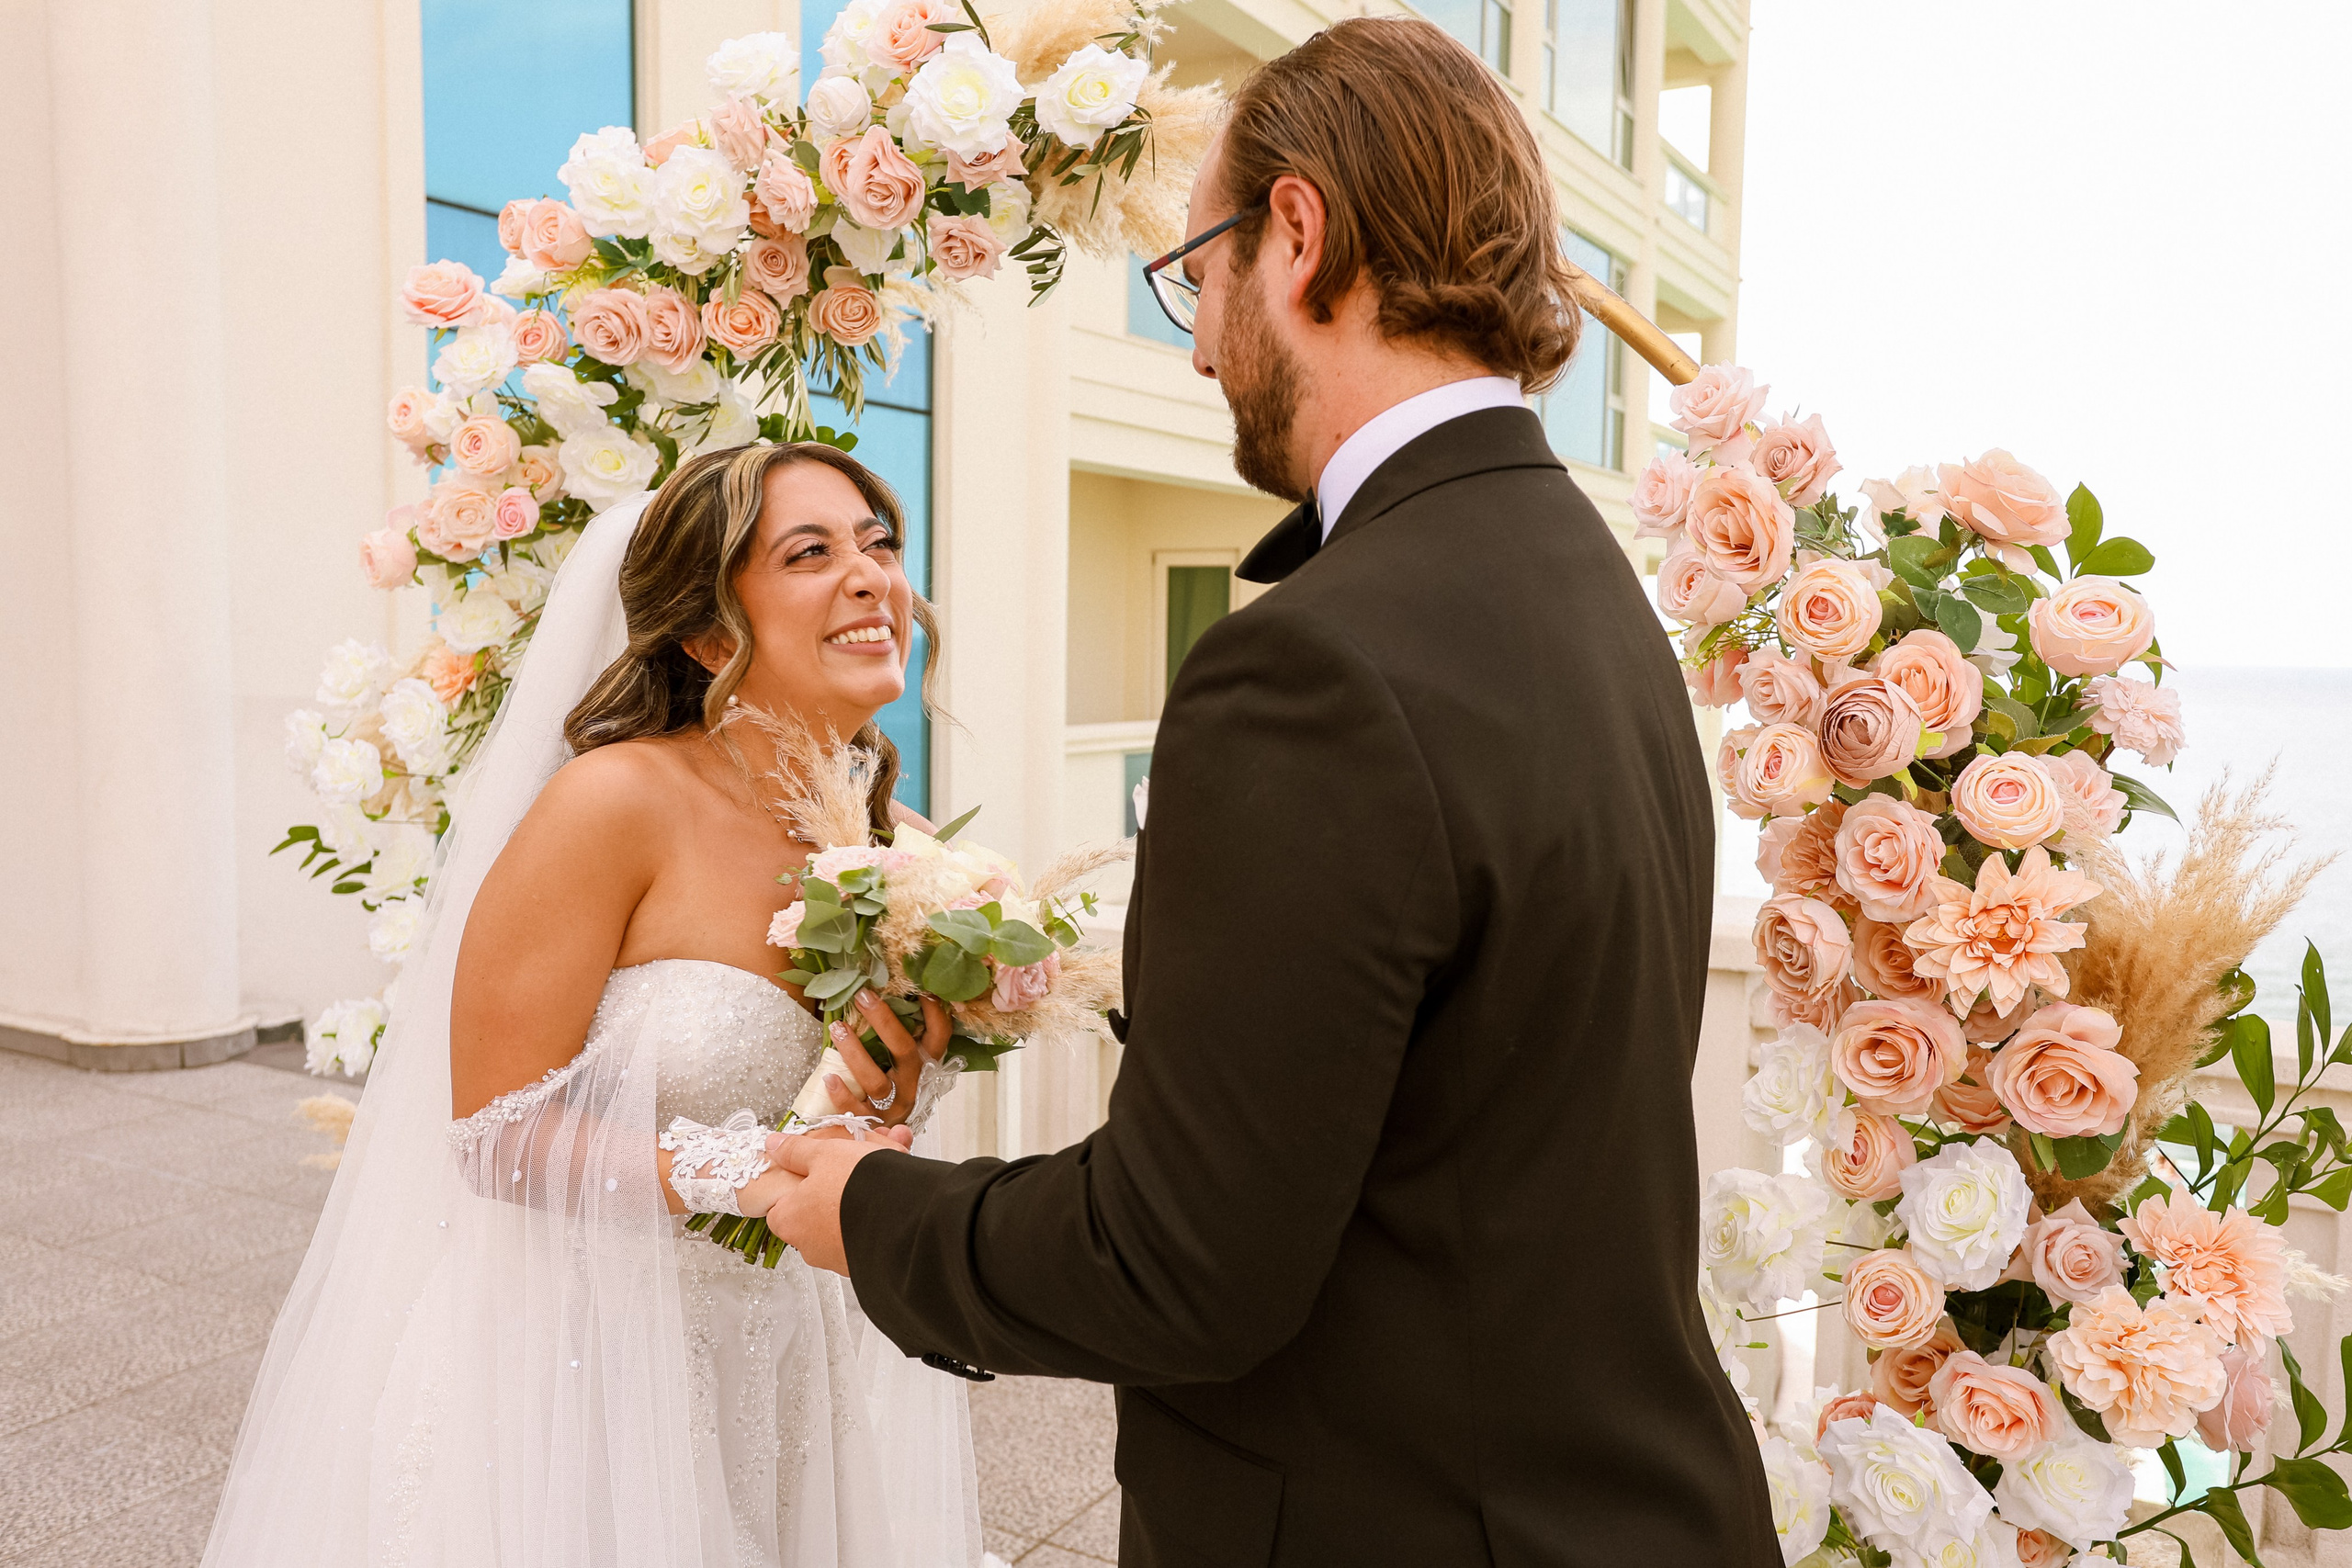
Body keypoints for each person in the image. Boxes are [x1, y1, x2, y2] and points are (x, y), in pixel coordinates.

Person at [758, 17, 1780, 1567]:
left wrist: (873, 1211)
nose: (1192, 342)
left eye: (1196, 275)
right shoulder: (1592, 586)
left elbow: (1178, 1265)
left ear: (1296, 233)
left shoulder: (1311, 665)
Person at [202, 444, 983, 1568]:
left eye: (878, 544)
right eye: (809, 554)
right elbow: (492, 1133)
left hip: (777, 1360)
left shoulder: (899, 856)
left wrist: (884, 1098)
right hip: (576, 1369)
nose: (870, 577)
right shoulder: (614, 802)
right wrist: (742, 1174)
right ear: (711, 635)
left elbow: (844, 1124)